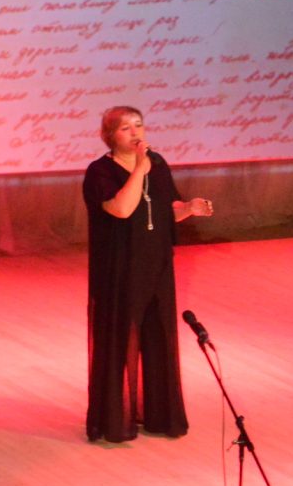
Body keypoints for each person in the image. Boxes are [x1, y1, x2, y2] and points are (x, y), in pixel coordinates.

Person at [82, 106, 215, 442]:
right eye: (125, 128)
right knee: (120, 340)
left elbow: (168, 209)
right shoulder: (99, 172)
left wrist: (189, 208)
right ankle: (114, 421)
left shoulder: (158, 163)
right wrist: (140, 169)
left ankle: (160, 416)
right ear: (110, 135)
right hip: (120, 269)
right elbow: (122, 209)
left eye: (138, 125)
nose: (135, 133)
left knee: (159, 338)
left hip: (156, 264)